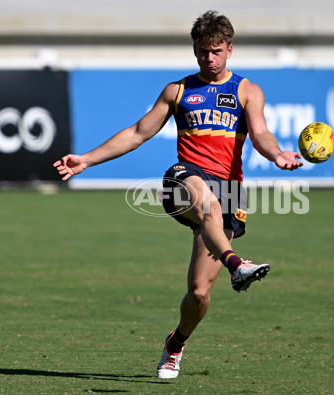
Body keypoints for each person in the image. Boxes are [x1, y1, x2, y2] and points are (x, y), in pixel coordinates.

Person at [53, 10, 303, 379]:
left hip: (230, 193)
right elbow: (138, 132)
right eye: (202, 51)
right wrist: (87, 160)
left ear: (229, 50)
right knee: (210, 206)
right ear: (195, 50)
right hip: (184, 181)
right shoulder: (178, 91)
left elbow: (261, 133)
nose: (209, 58)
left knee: (199, 293)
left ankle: (175, 344)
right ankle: (238, 265)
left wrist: (277, 152)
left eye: (216, 51)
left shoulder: (247, 91)